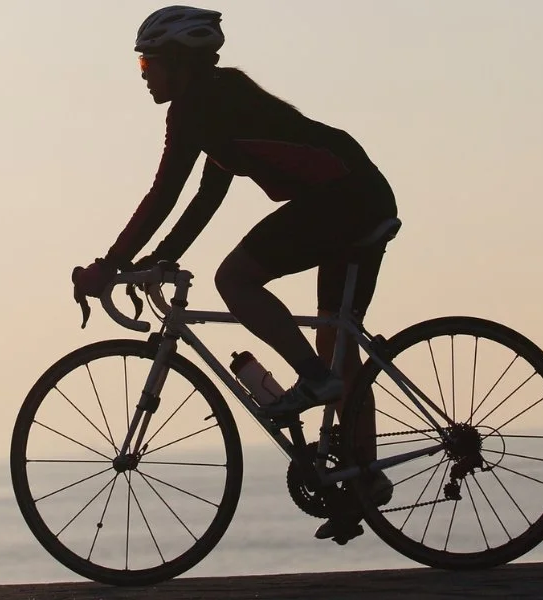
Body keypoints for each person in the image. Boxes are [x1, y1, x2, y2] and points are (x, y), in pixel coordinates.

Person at [71, 5, 395, 542]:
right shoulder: (222, 101)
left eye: (149, 66)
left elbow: (164, 194)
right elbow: (204, 196)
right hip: (358, 192)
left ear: (179, 62)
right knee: (336, 337)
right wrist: (160, 257)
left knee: (236, 281)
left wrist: (109, 266)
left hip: (341, 199)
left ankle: (314, 383)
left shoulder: (199, 108)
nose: (145, 77)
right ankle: (363, 478)